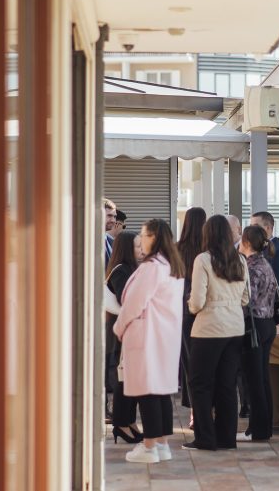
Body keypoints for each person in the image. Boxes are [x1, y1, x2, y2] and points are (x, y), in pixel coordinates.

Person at [114, 219, 185, 464]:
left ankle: (149, 447)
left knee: (147, 391)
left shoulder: (152, 267)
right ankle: (162, 444)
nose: (141, 240)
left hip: (147, 335)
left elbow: (134, 303)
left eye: (144, 235)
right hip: (164, 336)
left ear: (153, 238)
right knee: (160, 390)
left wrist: (119, 327)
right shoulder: (171, 265)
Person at [184, 215, 248, 451]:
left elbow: (197, 302)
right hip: (235, 327)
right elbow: (246, 298)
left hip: (209, 329)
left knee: (200, 384)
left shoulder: (203, 259)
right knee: (227, 385)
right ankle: (226, 438)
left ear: (207, 234)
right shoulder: (240, 259)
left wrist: (191, 306)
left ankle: (205, 438)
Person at [238, 225, 277, 442]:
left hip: (254, 325)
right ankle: (264, 427)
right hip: (268, 324)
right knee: (262, 378)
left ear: (246, 242)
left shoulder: (251, 267)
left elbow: (247, 299)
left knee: (254, 380)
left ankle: (257, 430)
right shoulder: (265, 264)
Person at [105, 231, 143, 444]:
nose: (142, 250)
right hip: (121, 331)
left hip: (129, 329)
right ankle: (121, 423)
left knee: (131, 378)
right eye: (137, 246)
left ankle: (128, 421)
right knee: (124, 379)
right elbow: (124, 298)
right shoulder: (122, 271)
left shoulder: (131, 269)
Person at [176, 207, 207, 416]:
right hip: (204, 308)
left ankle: (195, 410)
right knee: (205, 361)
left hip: (182, 309)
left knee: (188, 361)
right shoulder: (207, 250)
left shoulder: (176, 249)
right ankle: (206, 407)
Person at [250, 211, 279, 301]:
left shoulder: (278, 251)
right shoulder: (260, 249)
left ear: (268, 228)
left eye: (255, 226)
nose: (251, 230)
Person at [103, 198, 117, 265]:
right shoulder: (86, 241)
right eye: (109, 216)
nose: (113, 220)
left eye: (114, 217)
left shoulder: (112, 241)